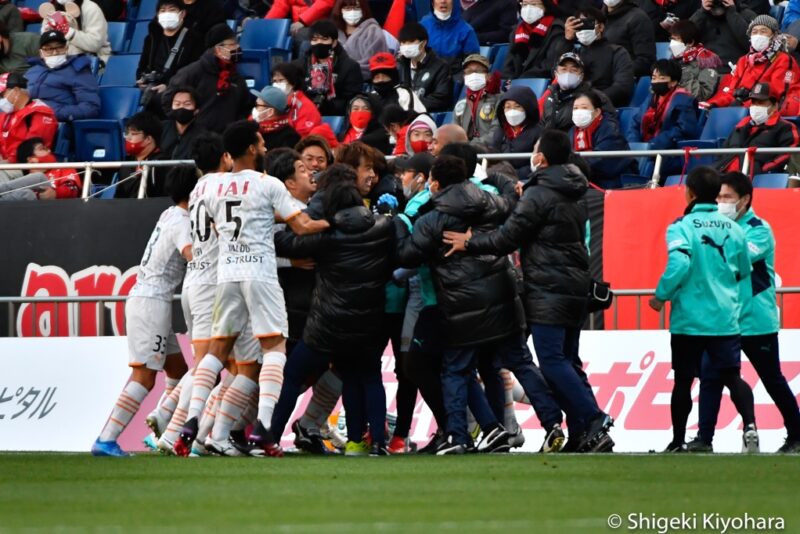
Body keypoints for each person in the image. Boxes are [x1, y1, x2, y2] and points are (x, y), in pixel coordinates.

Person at [442, 129, 614, 453]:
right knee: (568, 361)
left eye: (535, 150)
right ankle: (584, 432)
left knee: (551, 361)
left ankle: (593, 418)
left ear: (542, 158)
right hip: (574, 286)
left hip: (548, 288)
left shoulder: (539, 193)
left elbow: (507, 237)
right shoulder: (573, 190)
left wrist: (469, 242)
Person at [174, 120, 328, 458]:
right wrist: (333, 222)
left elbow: (219, 223)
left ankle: (192, 419)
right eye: (260, 142)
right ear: (251, 149)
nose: (264, 147)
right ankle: (262, 427)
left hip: (226, 274)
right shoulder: (267, 183)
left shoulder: (209, 187)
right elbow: (302, 226)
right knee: (274, 347)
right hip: (259, 272)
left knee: (216, 349)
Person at [394, 155, 523, 454]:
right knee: (475, 367)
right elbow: (510, 207)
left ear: (434, 181)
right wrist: (501, 180)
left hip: (443, 300)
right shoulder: (486, 198)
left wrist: (398, 221)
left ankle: (461, 433)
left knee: (440, 366)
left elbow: (406, 257)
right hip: (490, 296)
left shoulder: (428, 211)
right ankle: (492, 429)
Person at [273, 170, 393, 456]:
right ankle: (369, 442)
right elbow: (402, 254)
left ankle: (270, 437)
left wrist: (289, 220)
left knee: (291, 375)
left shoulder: (326, 233)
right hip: (369, 322)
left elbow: (286, 243)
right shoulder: (384, 227)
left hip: (327, 323)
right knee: (365, 377)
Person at [648, 166, 758, 454]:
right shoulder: (735, 228)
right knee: (732, 376)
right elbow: (744, 268)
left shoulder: (681, 226)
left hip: (690, 319)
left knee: (683, 380)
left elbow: (680, 264)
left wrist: (661, 295)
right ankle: (750, 428)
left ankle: (678, 441)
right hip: (724, 317)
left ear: (690, 193)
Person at [691, 172, 800, 453]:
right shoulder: (718, 229)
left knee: (771, 378)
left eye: (727, 197)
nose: (721, 203)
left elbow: (732, 261)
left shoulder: (759, 229)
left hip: (755, 320)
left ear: (745, 200)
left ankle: (797, 434)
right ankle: (704, 439)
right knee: (709, 376)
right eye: (718, 197)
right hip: (724, 319)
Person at [91, 165, 195, 456]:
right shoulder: (182, 221)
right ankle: (106, 439)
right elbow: (190, 253)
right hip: (152, 302)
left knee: (179, 370)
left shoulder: (169, 213)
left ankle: (161, 423)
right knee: (145, 377)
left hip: (149, 298)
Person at [162, 24, 251, 134]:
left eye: (236, 43)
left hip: (225, 141)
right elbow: (168, 100)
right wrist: (183, 126)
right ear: (218, 49)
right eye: (232, 44)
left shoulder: (236, 77)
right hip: (195, 140)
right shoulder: (193, 72)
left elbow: (244, 108)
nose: (236, 47)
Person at [703, 16, 799, 113]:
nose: (758, 35)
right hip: (745, 108)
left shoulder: (784, 60)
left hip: (776, 110)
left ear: (773, 35)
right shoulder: (744, 61)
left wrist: (742, 104)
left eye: (763, 31)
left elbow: (777, 94)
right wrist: (714, 103)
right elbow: (732, 92)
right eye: (754, 32)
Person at [633, 59, 701, 177]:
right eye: (654, 78)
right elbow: (635, 122)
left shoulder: (684, 100)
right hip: (646, 150)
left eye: (662, 78)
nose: (656, 81)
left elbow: (684, 130)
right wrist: (634, 144)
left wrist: (654, 145)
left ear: (673, 82)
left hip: (670, 154)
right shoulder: (651, 99)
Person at [715, 82, 800, 175]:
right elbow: (722, 153)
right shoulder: (741, 126)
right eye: (753, 103)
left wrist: (762, 170)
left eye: (761, 103)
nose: (755, 107)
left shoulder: (785, 127)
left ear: (775, 106)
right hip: (722, 174)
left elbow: (788, 155)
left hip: (751, 179)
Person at [137, 0, 204, 114]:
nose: (167, 14)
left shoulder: (194, 39)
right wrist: (142, 80)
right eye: (162, 11)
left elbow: (194, 72)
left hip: (178, 88)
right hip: (152, 87)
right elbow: (142, 67)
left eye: (172, 10)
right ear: (158, 15)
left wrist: (168, 86)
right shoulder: (151, 39)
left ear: (182, 14)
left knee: (159, 101)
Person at [563, 7, 635, 107]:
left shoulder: (618, 52)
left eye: (588, 24)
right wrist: (567, 41)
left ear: (600, 27)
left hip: (603, 106)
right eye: (579, 26)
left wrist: (593, 100)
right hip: (573, 106)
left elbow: (622, 87)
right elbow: (557, 75)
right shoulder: (574, 53)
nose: (583, 30)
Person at [25, 30, 100, 122]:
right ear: (41, 53)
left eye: (59, 47)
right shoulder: (33, 71)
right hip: (27, 118)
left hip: (58, 124)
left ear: (66, 48)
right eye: (49, 49)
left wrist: (53, 111)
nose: (55, 53)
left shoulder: (78, 70)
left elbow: (91, 108)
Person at [295, 19, 363, 116]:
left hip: (334, 117)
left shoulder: (350, 67)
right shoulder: (299, 66)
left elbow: (352, 101)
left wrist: (327, 105)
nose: (319, 43)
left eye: (324, 39)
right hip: (304, 115)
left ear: (334, 42)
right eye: (315, 40)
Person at [570, 91, 636, 188]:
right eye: (575, 108)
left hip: (613, 184)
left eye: (584, 108)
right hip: (586, 182)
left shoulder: (609, 128)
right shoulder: (573, 131)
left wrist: (571, 165)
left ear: (597, 112)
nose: (579, 112)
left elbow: (600, 161)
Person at [539, 52, 616, 132]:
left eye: (574, 70)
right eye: (563, 69)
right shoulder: (550, 97)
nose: (568, 73)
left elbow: (610, 125)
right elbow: (541, 126)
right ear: (556, 74)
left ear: (581, 76)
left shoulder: (595, 97)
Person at [502, 0, 570, 79]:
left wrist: (522, 79)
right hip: (515, 83)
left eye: (534, 4)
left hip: (537, 81)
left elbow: (549, 65)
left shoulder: (556, 29)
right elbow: (509, 64)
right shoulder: (517, 30)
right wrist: (509, 79)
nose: (528, 8)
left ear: (546, 6)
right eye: (525, 4)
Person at [0, 72, 58, 163]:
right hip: (7, 164)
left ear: (15, 91)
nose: (1, 99)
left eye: (2, 94)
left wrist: (8, 163)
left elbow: (32, 150)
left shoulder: (40, 113)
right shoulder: (6, 115)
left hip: (26, 165)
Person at [396, 22, 452, 113]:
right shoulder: (399, 65)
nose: (406, 46)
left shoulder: (441, 67)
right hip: (402, 116)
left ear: (423, 43)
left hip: (427, 116)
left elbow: (441, 99)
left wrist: (412, 105)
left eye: (410, 42)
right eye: (403, 43)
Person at [690, 0, 757, 72]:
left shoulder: (746, 14)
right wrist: (702, 11)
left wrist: (732, 12)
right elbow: (685, 38)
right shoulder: (701, 16)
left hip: (740, 71)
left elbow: (753, 45)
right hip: (708, 73)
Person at [491, 85, 540, 180]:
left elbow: (537, 164)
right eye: (508, 107)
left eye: (517, 107)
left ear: (527, 108)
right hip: (501, 180)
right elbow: (492, 159)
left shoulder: (538, 133)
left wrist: (513, 175)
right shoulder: (500, 132)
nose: (512, 111)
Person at [114, 111, 167, 198]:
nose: (128, 138)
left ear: (148, 139)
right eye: (127, 134)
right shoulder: (126, 165)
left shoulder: (163, 165)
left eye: (133, 134)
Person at [333, 0, 391, 79]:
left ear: (363, 9)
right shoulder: (334, 32)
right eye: (347, 8)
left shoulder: (373, 31)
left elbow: (373, 63)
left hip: (366, 85)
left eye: (357, 8)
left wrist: (345, 70)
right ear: (340, 10)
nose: (352, 12)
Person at [668, 20, 722, 102]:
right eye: (672, 39)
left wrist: (683, 74)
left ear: (690, 42)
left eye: (677, 39)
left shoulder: (705, 61)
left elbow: (702, 95)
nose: (672, 43)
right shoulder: (673, 61)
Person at [41, 0, 112, 62]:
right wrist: (48, 35)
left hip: (95, 59)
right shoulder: (51, 9)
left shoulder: (91, 8)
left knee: (72, 50)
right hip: (59, 58)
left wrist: (69, 32)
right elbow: (46, 45)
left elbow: (95, 44)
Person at [453, 53, 501, 143]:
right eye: (469, 72)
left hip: (489, 152)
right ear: (464, 77)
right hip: (465, 152)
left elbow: (496, 131)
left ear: (488, 76)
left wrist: (471, 147)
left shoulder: (499, 99)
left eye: (479, 71)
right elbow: (454, 132)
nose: (474, 75)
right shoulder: (461, 104)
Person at [420, 0, 479, 73]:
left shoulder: (466, 30)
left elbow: (473, 62)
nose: (443, 1)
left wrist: (459, 80)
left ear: (454, 2)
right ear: (432, 2)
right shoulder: (423, 25)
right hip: (425, 78)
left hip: (454, 79)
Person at [601, 0, 656, 77]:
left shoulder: (638, 18)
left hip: (623, 78)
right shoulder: (597, 17)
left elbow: (645, 60)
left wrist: (615, 72)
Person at [15, 137, 80, 199]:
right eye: (43, 148)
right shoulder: (23, 181)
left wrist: (55, 193)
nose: (49, 151)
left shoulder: (64, 168)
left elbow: (73, 189)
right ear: (31, 160)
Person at [271, 61, 322, 137]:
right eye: (274, 81)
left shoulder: (305, 107)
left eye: (281, 80)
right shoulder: (271, 102)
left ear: (293, 83)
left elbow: (303, 137)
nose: (277, 84)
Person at [160, 86, 207, 160]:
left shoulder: (203, 135)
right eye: (177, 104)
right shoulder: (161, 128)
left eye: (187, 104)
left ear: (196, 110)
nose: (181, 107)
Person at [250, 85, 301, 150]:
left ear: (270, 111)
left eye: (258, 105)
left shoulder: (290, 138)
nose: (255, 108)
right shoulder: (253, 129)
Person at [266, 0, 334, 40]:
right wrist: (264, 25)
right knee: (271, 35)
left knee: (299, 37)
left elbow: (325, 3)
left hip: (320, 25)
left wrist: (303, 21)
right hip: (299, 25)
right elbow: (279, 6)